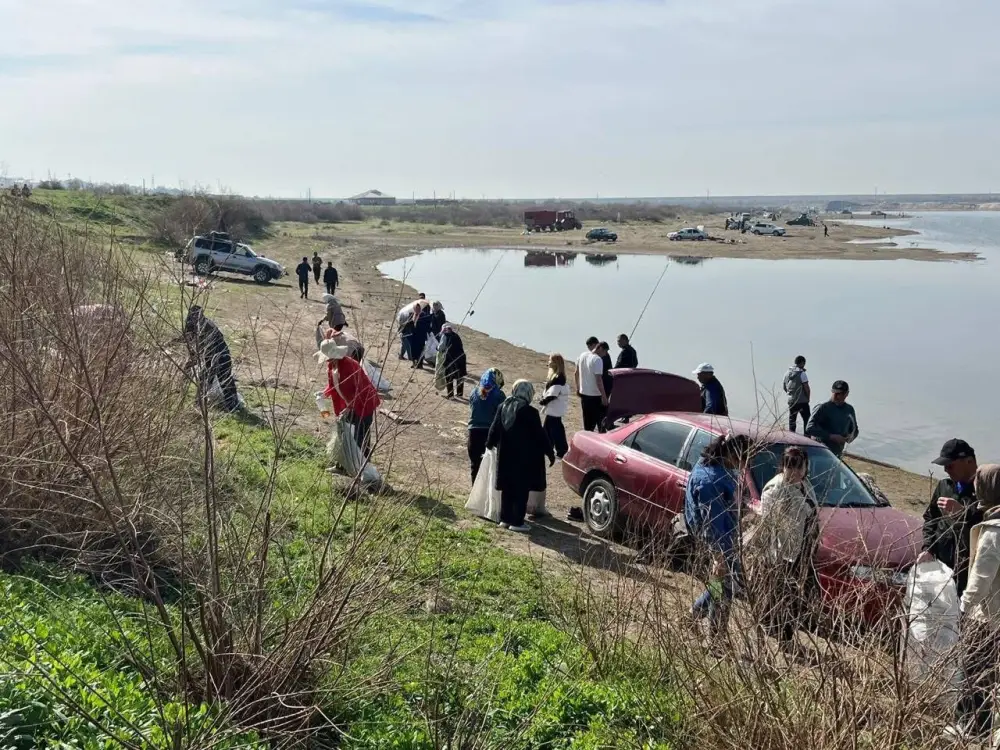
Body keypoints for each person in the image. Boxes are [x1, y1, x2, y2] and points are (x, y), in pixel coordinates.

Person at [745, 446, 818, 647]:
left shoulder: (805, 485)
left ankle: (780, 633)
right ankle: (780, 636)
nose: (794, 472)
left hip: (802, 549)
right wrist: (770, 555)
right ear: (783, 466)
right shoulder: (775, 489)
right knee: (783, 595)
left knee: (794, 596)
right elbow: (768, 525)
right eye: (790, 467)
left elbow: (811, 512)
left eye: (799, 467)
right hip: (782, 553)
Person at [685, 433, 753, 641]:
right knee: (725, 589)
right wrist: (719, 555)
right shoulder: (711, 482)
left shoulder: (708, 462)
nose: (744, 466)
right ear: (734, 456)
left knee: (721, 584)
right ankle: (715, 638)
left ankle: (694, 614)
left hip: (724, 537)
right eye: (744, 460)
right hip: (718, 541)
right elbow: (712, 523)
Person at [953, 464, 1000, 741]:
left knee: (974, 671)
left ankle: (971, 729)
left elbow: (981, 579)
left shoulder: (994, 530)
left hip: (986, 616)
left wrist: (963, 608)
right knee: (989, 674)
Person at [486, 380, 555, 532]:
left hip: (505, 456)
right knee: (520, 490)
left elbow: (494, 429)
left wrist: (489, 445)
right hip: (523, 459)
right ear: (529, 393)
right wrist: (550, 453)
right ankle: (517, 522)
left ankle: (505, 519)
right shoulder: (530, 412)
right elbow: (540, 435)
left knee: (507, 489)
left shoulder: (503, 407)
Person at [917, 439, 982, 595]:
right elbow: (931, 518)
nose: (946, 470)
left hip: (969, 570)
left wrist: (963, 513)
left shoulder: (987, 491)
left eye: (950, 465)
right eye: (944, 466)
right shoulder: (944, 486)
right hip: (941, 564)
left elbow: (990, 527)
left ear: (969, 461)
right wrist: (928, 548)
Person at [316, 337, 380, 455]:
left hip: (363, 403)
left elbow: (359, 390)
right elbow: (333, 385)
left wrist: (350, 407)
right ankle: (343, 465)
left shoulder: (349, 365)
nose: (327, 361)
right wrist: (324, 394)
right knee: (345, 434)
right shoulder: (331, 366)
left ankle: (361, 466)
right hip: (348, 405)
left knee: (359, 437)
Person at [184, 305, 239, 412]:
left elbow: (206, 350)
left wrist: (193, 361)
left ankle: (232, 406)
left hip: (220, 354)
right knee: (205, 379)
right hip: (210, 355)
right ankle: (199, 405)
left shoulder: (207, 327)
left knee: (224, 379)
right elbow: (190, 341)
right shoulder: (192, 325)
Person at [467, 369, 505, 484]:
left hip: (473, 433)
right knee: (491, 468)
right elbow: (502, 415)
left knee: (475, 466)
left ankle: (474, 494)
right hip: (490, 434)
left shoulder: (474, 392)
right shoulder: (499, 395)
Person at [805, 380, 858, 457]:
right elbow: (809, 428)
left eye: (841, 394)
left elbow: (854, 430)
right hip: (820, 451)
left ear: (847, 394)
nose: (837, 396)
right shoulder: (822, 407)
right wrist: (831, 436)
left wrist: (849, 438)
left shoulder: (849, 410)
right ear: (832, 392)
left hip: (837, 454)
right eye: (835, 393)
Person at [539, 354, 571, 460]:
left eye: (550, 361)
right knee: (548, 428)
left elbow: (554, 393)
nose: (549, 363)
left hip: (554, 408)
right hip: (554, 408)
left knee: (555, 429)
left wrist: (545, 400)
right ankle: (547, 447)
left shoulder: (558, 377)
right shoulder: (557, 376)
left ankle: (561, 450)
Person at [574, 337, 607, 433]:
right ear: (600, 348)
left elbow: (576, 373)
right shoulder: (597, 360)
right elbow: (599, 380)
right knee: (601, 423)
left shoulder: (582, 355)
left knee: (587, 424)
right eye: (605, 352)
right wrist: (604, 397)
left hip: (584, 394)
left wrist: (578, 387)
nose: (605, 355)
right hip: (595, 396)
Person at [437, 324, 467, 399]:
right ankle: (459, 394)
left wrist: (437, 348)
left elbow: (440, 348)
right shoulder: (456, 336)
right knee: (459, 376)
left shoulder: (445, 336)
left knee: (449, 376)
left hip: (451, 359)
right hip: (461, 358)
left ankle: (450, 396)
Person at [783, 355, 811, 433]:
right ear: (802, 363)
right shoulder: (802, 374)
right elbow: (807, 388)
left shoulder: (787, 373)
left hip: (792, 401)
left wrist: (791, 395)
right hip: (802, 401)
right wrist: (808, 398)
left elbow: (785, 387)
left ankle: (792, 436)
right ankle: (807, 437)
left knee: (792, 420)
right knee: (807, 419)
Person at [411, 301, 433, 369]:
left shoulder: (424, 315)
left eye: (418, 308)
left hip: (421, 336)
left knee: (420, 350)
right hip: (414, 336)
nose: (416, 310)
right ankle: (414, 363)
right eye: (415, 308)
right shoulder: (413, 315)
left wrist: (419, 325)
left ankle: (420, 364)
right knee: (413, 350)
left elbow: (427, 325)